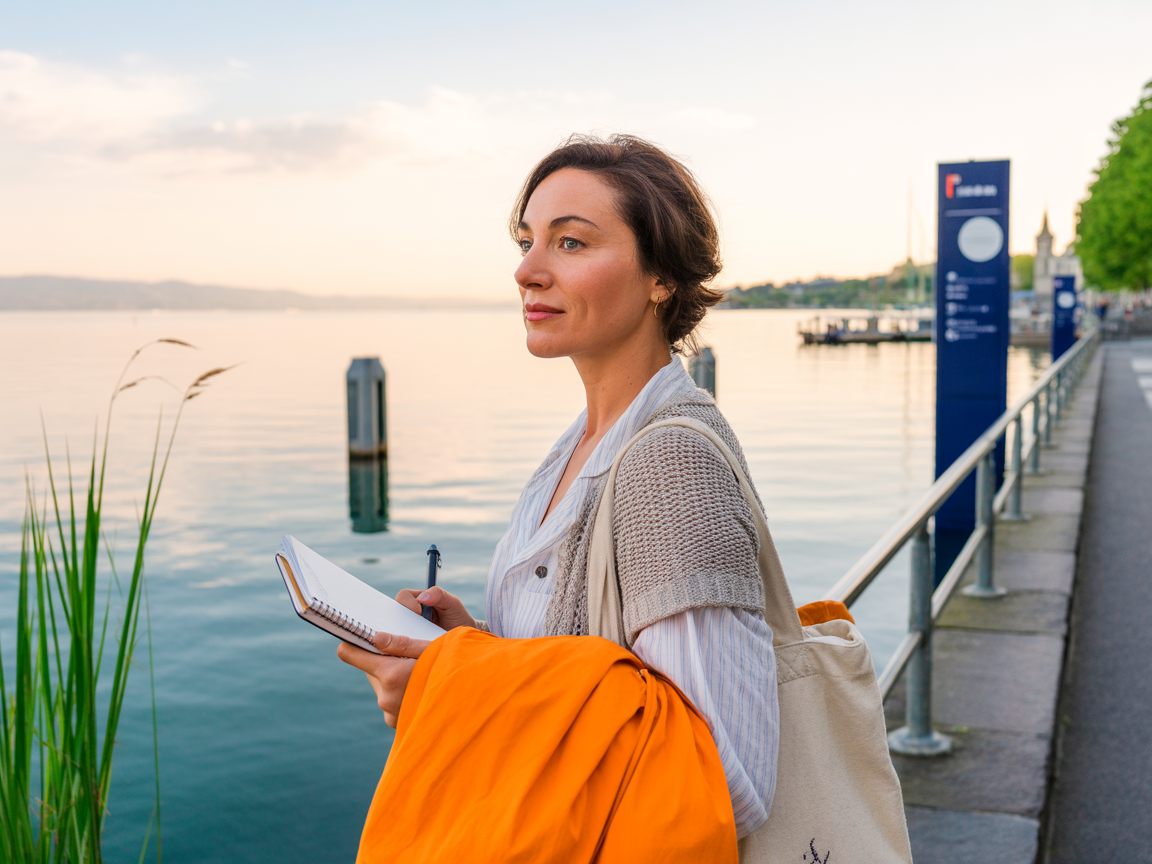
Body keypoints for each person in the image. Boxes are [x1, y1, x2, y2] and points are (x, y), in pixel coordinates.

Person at [337, 134, 779, 841]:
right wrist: (470, 647)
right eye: (526, 242)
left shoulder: (669, 466)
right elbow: (573, 677)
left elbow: (727, 775)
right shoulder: (578, 446)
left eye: (570, 243)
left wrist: (458, 688)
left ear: (661, 276)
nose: (528, 272)